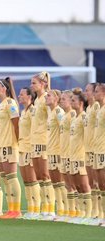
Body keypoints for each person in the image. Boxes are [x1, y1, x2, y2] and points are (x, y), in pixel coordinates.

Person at [0, 77, 21, 219]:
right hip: (1, 145)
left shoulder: (10, 103)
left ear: (4, 89)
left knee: (11, 177)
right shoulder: (1, 105)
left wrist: (18, 142)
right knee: (5, 178)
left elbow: (16, 123)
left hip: (9, 144)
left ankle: (16, 210)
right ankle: (10, 209)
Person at [30, 71, 54, 218]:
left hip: (43, 140)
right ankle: (44, 207)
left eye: (34, 83)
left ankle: (50, 208)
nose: (31, 86)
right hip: (34, 141)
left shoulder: (46, 99)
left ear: (43, 84)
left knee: (46, 175)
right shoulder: (37, 100)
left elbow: (51, 120)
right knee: (39, 175)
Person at [68, 88, 92, 224]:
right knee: (76, 186)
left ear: (81, 102)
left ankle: (88, 214)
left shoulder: (83, 117)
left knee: (84, 186)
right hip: (73, 155)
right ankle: (81, 213)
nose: (71, 102)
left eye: (74, 100)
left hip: (81, 155)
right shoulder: (75, 118)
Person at [18, 87, 40, 219]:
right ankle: (30, 209)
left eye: (22, 94)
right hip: (22, 147)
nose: (20, 97)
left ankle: (36, 209)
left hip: (30, 148)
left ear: (29, 97)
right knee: (26, 180)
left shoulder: (33, 111)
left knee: (33, 179)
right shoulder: (23, 111)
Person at [45, 89, 65, 220]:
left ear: (57, 98)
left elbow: (64, 129)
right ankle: (59, 211)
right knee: (55, 183)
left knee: (61, 182)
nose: (46, 97)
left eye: (49, 95)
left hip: (58, 150)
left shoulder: (58, 112)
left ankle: (65, 211)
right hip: (51, 151)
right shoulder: (51, 112)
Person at [58, 90, 76, 221]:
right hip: (63, 153)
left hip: (71, 153)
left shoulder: (73, 115)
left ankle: (77, 212)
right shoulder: (64, 116)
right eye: (61, 99)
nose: (61, 101)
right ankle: (70, 212)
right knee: (67, 185)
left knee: (75, 184)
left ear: (71, 100)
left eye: (64, 99)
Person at [84, 83, 100, 219]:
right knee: (91, 183)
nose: (86, 92)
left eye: (88, 90)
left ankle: (100, 214)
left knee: (98, 183)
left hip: (97, 149)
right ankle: (94, 213)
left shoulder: (97, 106)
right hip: (88, 149)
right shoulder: (88, 108)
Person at [92, 83, 105, 226]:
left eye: (97, 91)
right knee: (100, 184)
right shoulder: (99, 110)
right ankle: (102, 215)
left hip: (103, 150)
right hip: (97, 150)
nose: (94, 94)